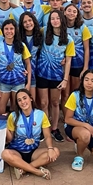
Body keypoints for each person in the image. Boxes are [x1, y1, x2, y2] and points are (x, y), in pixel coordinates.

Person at [1, 89, 60, 180]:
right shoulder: (13, 116)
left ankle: (24, 169)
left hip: (33, 152)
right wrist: (4, 125)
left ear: (31, 99)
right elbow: (9, 139)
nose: (23, 102)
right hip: (17, 152)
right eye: (19, 100)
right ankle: (36, 171)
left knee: (55, 151)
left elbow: (47, 135)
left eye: (25, 98)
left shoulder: (41, 114)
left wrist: (50, 148)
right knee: (5, 154)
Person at [36, 9, 75, 142]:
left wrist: (65, 79)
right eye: (52, 18)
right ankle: (44, 129)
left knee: (54, 102)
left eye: (57, 18)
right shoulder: (43, 31)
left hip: (57, 75)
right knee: (43, 103)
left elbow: (68, 60)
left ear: (62, 20)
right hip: (41, 73)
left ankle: (54, 128)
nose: (55, 21)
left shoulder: (68, 39)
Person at [0, 19, 32, 115]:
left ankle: (15, 130)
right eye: (6, 29)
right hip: (3, 84)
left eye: (11, 29)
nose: (9, 31)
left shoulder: (22, 45)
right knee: (0, 112)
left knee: (16, 111)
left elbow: (28, 64)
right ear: (3, 30)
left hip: (19, 83)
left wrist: (28, 83)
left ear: (15, 30)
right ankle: (3, 130)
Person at [62, 3, 91, 116]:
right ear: (64, 12)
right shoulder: (61, 27)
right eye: (69, 10)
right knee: (65, 94)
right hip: (64, 65)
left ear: (77, 14)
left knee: (74, 93)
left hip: (77, 65)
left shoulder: (82, 27)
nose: (71, 13)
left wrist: (85, 68)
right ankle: (66, 117)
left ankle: (74, 116)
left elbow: (87, 49)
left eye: (74, 11)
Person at [18, 11, 43, 102]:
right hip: (20, 72)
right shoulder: (18, 37)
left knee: (34, 100)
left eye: (30, 20)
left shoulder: (40, 35)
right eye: (25, 22)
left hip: (35, 72)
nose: (28, 23)